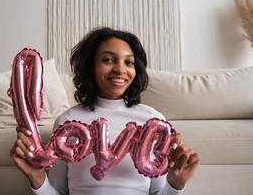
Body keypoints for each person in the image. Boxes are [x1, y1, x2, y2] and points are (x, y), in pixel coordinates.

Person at [10, 27, 200, 195]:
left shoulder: (153, 120)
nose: (120, 69)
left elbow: (158, 192)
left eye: (129, 62)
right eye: (108, 60)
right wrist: (36, 178)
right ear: (90, 66)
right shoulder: (68, 121)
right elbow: (58, 191)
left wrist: (176, 184)